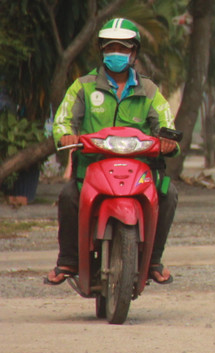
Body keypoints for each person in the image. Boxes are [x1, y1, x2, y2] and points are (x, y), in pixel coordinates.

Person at [47, 18, 179, 286]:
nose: (116, 53)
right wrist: (66, 135)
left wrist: (167, 140)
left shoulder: (150, 91)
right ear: (102, 51)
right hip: (91, 168)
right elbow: (63, 119)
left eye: (123, 47)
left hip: (141, 171)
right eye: (110, 47)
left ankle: (153, 260)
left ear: (134, 52)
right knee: (68, 196)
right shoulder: (83, 86)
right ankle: (68, 260)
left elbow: (166, 124)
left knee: (169, 194)